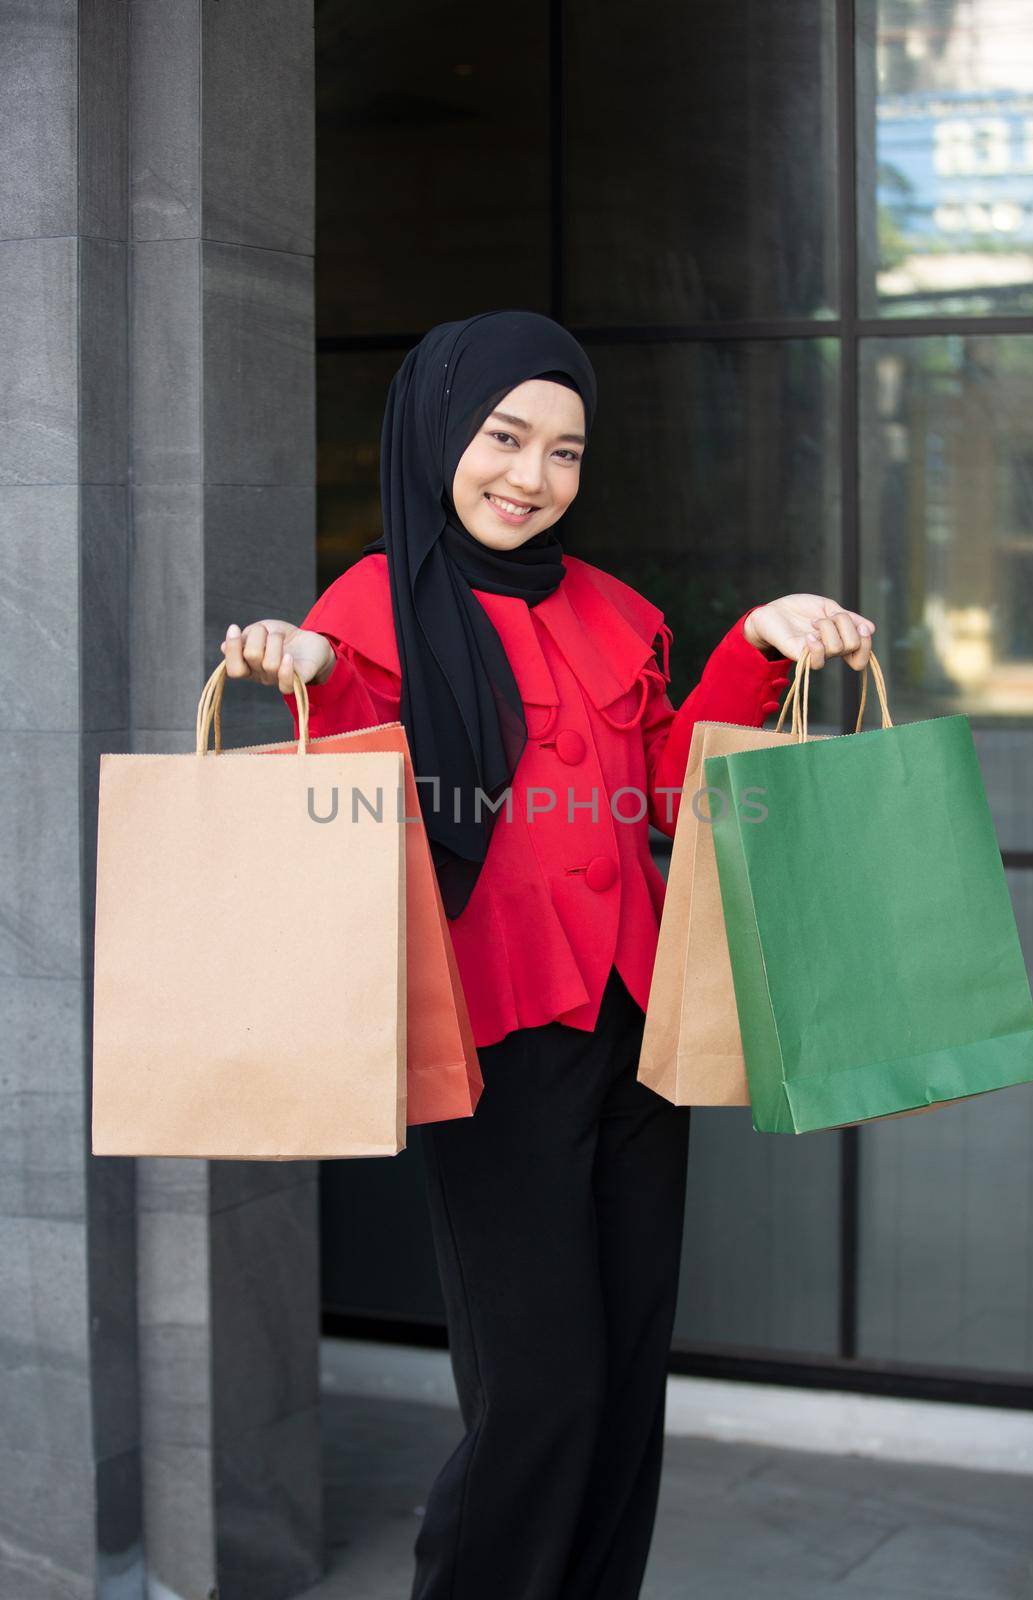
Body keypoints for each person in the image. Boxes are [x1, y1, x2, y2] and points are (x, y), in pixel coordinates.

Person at [220, 309, 875, 1600]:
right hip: (497, 1043)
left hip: (635, 1040)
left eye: (565, 451)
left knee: (626, 1386)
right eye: (505, 437)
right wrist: (310, 677)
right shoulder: (366, 610)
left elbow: (675, 797)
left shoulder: (617, 612)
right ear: (441, 431)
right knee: (539, 1399)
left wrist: (755, 647)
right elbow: (371, 791)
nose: (532, 476)